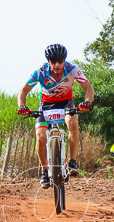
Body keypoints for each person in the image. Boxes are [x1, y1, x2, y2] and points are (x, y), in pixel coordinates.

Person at [17, 44, 94, 188]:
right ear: (48, 61)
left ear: (65, 60)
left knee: (72, 123)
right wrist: (22, 106)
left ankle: (72, 161)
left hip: (66, 103)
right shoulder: (40, 72)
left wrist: (87, 102)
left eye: (60, 61)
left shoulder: (72, 70)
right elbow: (23, 91)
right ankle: (45, 172)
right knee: (40, 137)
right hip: (46, 105)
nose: (57, 65)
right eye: (53, 61)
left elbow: (88, 87)